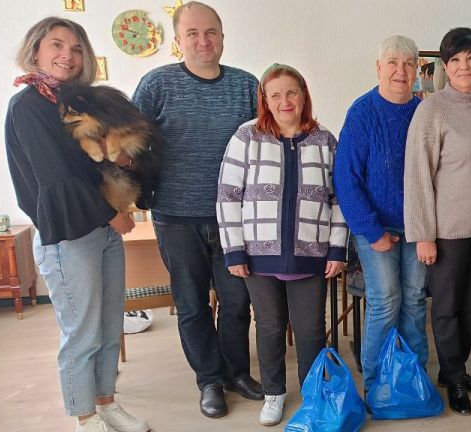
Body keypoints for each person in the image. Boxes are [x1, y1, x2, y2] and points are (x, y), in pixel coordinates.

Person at [6, 16, 149, 432]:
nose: (67, 56)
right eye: (57, 45)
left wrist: (124, 159)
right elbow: (56, 178)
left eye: (76, 48)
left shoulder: (77, 102)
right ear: (36, 50)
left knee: (109, 326)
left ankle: (106, 402)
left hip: (102, 229)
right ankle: (85, 417)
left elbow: (104, 159)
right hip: (68, 235)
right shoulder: (28, 106)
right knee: (82, 333)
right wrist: (111, 214)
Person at [132, 1, 262, 418]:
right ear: (178, 41)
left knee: (237, 302)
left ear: (223, 37)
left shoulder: (246, 85)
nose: (203, 41)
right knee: (191, 305)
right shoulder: (156, 84)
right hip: (175, 217)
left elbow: (266, 145)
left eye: (210, 32)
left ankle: (237, 372)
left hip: (234, 219)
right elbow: (131, 144)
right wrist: (136, 197)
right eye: (192, 33)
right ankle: (209, 380)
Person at [217, 63, 348, 426]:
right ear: (265, 100)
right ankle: (273, 393)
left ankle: (313, 395)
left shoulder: (324, 140)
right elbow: (228, 196)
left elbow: (340, 199)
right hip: (258, 256)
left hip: (311, 254)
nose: (284, 101)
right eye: (275, 95)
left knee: (310, 330)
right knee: (270, 326)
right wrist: (234, 250)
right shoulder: (246, 137)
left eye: (291, 92)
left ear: (303, 95)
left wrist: (337, 248)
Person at [404, 27, 471, 415]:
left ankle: (454, 369)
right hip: (447, 231)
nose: (464, 66)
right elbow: (417, 175)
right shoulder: (432, 110)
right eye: (455, 60)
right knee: (447, 307)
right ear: (445, 67)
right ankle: (454, 375)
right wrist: (423, 235)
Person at [333, 35, 429, 394]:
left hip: (418, 226)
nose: (401, 71)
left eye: (409, 63)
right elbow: (346, 179)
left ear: (417, 69)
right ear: (379, 67)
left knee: (415, 300)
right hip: (375, 226)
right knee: (385, 300)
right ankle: (375, 384)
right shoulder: (362, 112)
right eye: (393, 63)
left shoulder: (425, 111)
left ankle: (414, 379)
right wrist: (372, 232)